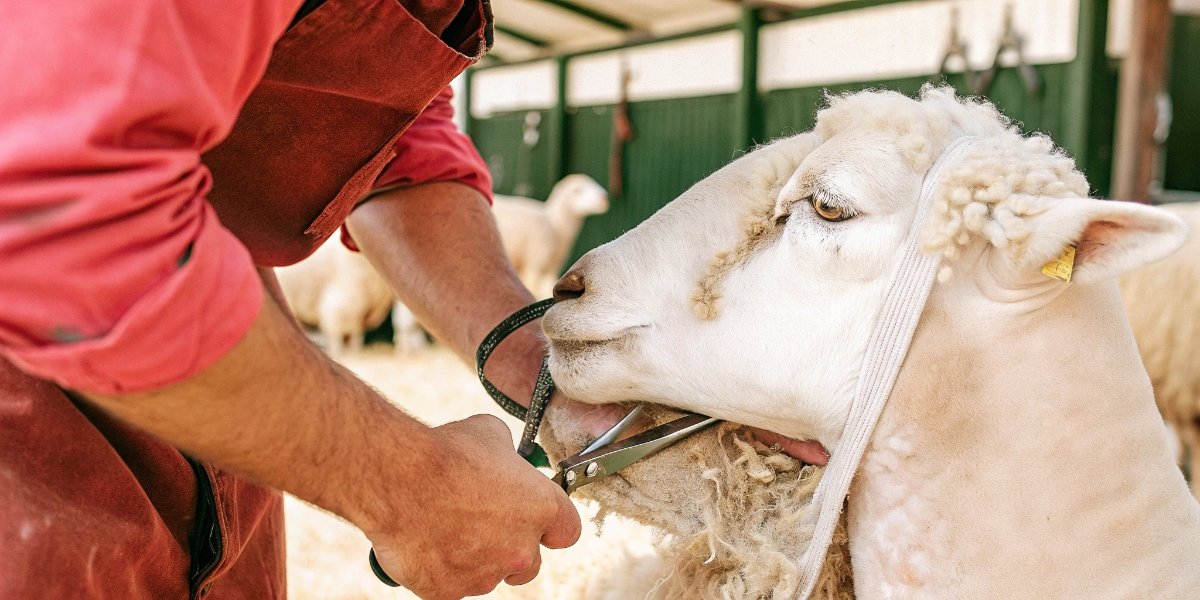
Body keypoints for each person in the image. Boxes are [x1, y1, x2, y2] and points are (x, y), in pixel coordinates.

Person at [0, 1, 825, 598]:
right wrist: (403, 485)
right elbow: (65, 212)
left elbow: (394, 142)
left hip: (219, 354)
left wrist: (539, 364)